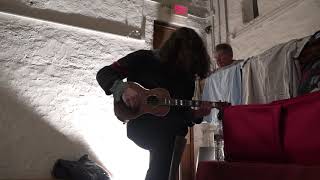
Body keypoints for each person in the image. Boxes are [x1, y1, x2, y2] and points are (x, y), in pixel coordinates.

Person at [96, 27, 212, 180]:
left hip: (171, 133)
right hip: (142, 125)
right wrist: (122, 89)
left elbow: (179, 114)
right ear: (175, 49)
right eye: (184, 58)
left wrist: (195, 115)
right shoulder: (143, 58)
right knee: (167, 146)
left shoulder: (187, 78)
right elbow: (104, 73)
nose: (185, 65)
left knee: (172, 145)